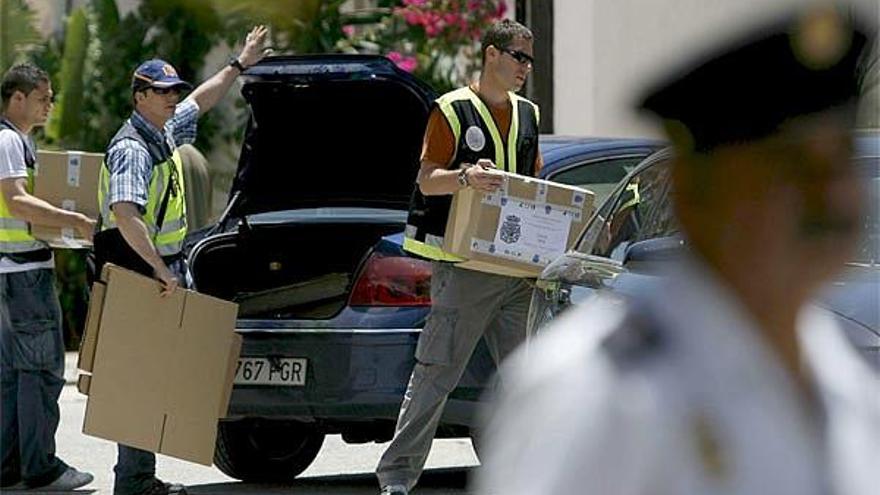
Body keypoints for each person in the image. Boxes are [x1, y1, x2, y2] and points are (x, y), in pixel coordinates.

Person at [476, 5, 879, 495]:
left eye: (838, 165)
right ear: (697, 195)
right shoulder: (603, 390)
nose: (829, 197)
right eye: (792, 169)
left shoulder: (845, 383)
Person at [92, 26, 267, 495]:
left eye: (174, 91)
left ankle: (139, 477)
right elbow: (126, 216)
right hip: (141, 273)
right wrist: (161, 269)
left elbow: (202, 102)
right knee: (139, 376)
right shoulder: (132, 148)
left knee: (149, 375)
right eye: (164, 92)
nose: (174, 98)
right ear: (140, 95)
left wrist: (239, 64)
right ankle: (134, 481)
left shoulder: (162, 130)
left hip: (156, 271)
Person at [376, 19, 543, 495]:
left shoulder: (528, 112)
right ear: (492, 54)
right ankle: (396, 479)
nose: (526, 68)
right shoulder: (452, 110)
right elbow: (427, 180)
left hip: (516, 272)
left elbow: (534, 181)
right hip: (465, 269)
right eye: (519, 57)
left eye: (530, 60)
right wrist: (467, 175)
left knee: (528, 383)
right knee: (434, 378)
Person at [0, 63, 95, 491]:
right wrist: (73, 219)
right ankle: (41, 470)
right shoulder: (8, 141)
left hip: (10, 274)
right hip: (24, 277)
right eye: (43, 98)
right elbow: (17, 202)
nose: (49, 107)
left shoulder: (16, 142)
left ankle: (9, 468)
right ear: (16, 98)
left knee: (12, 376)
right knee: (40, 372)